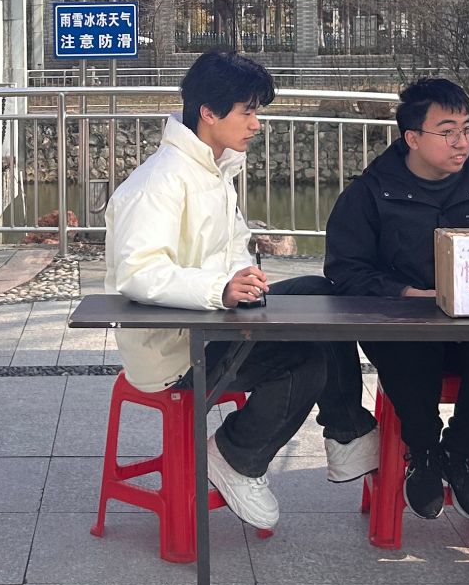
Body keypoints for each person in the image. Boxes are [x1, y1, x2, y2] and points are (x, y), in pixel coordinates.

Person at [104, 50, 377, 530]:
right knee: (305, 361)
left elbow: (232, 245)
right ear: (208, 112)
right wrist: (221, 288)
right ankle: (235, 455)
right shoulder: (159, 182)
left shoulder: (214, 170)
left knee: (320, 295)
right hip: (173, 352)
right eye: (247, 111)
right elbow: (138, 273)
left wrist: (241, 279)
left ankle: (347, 431)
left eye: (257, 112)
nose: (256, 124)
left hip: (211, 320)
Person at [324, 77, 469, 526]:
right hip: (405, 325)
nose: (462, 143)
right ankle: (422, 452)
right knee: (408, 345)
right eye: (448, 131)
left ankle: (460, 452)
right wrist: (404, 294)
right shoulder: (371, 193)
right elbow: (344, 271)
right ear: (412, 138)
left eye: (467, 130)